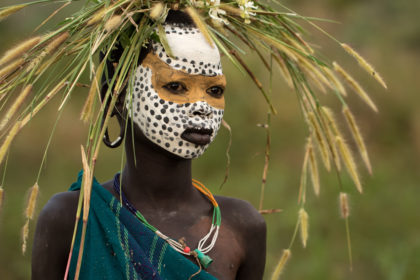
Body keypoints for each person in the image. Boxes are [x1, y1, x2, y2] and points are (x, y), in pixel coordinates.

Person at [32, 10, 266, 280]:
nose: (202, 107)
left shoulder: (242, 227)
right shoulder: (72, 220)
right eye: (176, 86)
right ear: (117, 98)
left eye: (214, 90)